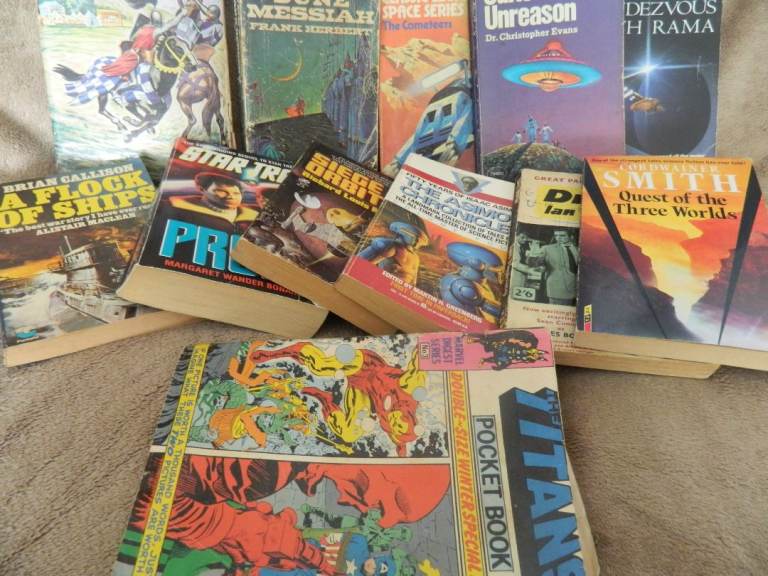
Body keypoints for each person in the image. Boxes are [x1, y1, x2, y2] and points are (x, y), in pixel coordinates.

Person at [540, 229, 578, 305]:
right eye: (556, 235)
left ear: (571, 237)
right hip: (556, 288)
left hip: (575, 288)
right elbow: (535, 262)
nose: (558, 238)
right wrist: (538, 263)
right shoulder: (547, 248)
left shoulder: (577, 249)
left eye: (562, 235)